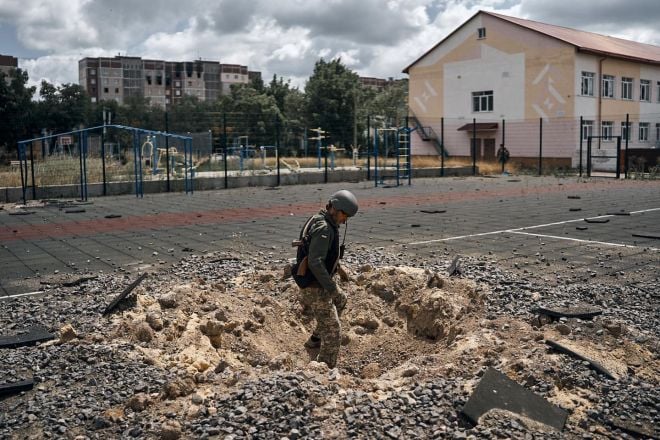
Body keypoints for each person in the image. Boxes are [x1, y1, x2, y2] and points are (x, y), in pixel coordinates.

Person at [295, 190, 358, 369]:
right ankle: (325, 370)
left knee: (341, 301)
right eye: (344, 215)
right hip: (314, 286)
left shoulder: (322, 221)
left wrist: (338, 268)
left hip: (317, 281)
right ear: (335, 209)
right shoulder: (324, 228)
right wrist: (333, 288)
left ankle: (315, 339)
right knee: (334, 331)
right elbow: (315, 262)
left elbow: (322, 256)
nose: (344, 220)